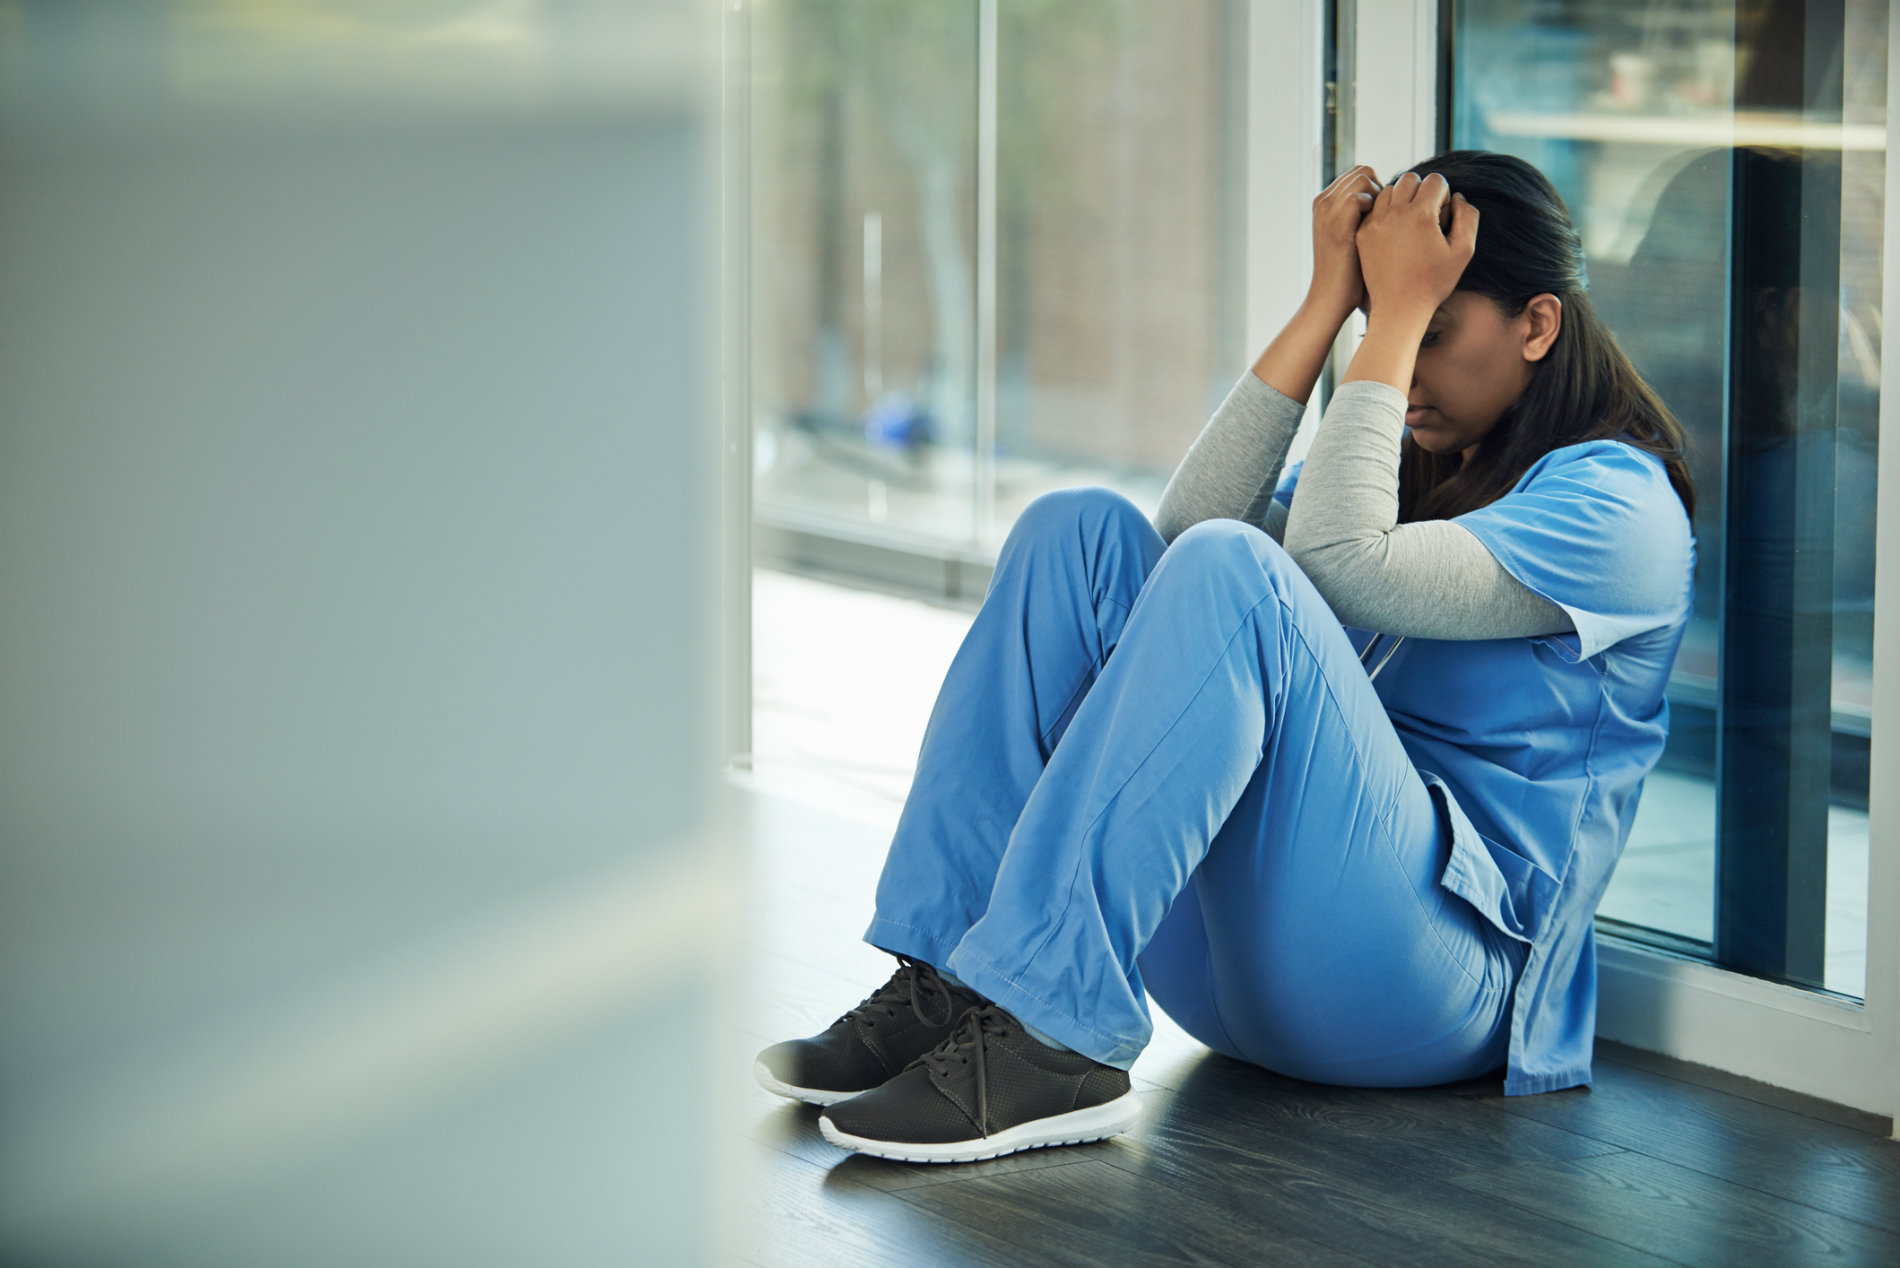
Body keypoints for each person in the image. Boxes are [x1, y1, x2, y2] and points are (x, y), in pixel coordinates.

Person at [754, 151, 1698, 1165]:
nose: (1402, 363)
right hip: (1241, 965)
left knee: (1242, 572)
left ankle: (1056, 1037)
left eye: (1434, 325)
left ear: (1537, 325)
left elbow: (1330, 568)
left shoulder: (1622, 507)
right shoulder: (1401, 463)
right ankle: (953, 980)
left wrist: (1382, 327)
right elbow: (1179, 549)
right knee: (1076, 533)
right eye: (1386, 325)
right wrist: (1324, 302)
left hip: (1433, 989)